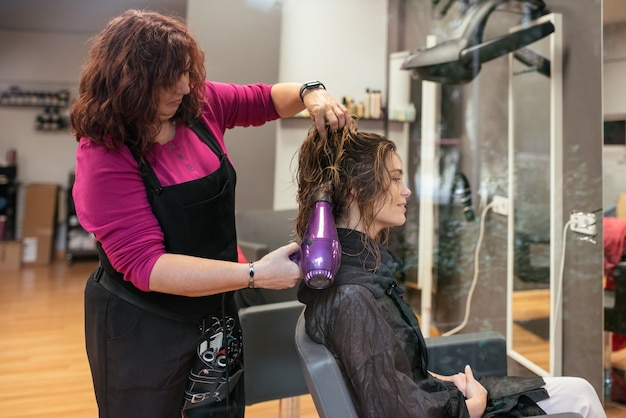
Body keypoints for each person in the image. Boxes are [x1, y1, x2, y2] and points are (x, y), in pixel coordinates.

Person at [70, 9, 350, 418]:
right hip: (143, 324)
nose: (184, 86)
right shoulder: (104, 154)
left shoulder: (199, 105)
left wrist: (312, 92)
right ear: (132, 83)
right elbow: (149, 266)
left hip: (213, 310)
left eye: (187, 72)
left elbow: (265, 98)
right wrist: (253, 275)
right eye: (170, 78)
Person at [294, 121, 606, 418]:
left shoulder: (353, 275)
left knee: (580, 391)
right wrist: (474, 406)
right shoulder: (353, 296)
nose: (407, 191)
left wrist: (439, 381)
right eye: (395, 178)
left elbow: (387, 375)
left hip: (433, 400)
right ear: (355, 190)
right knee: (581, 398)